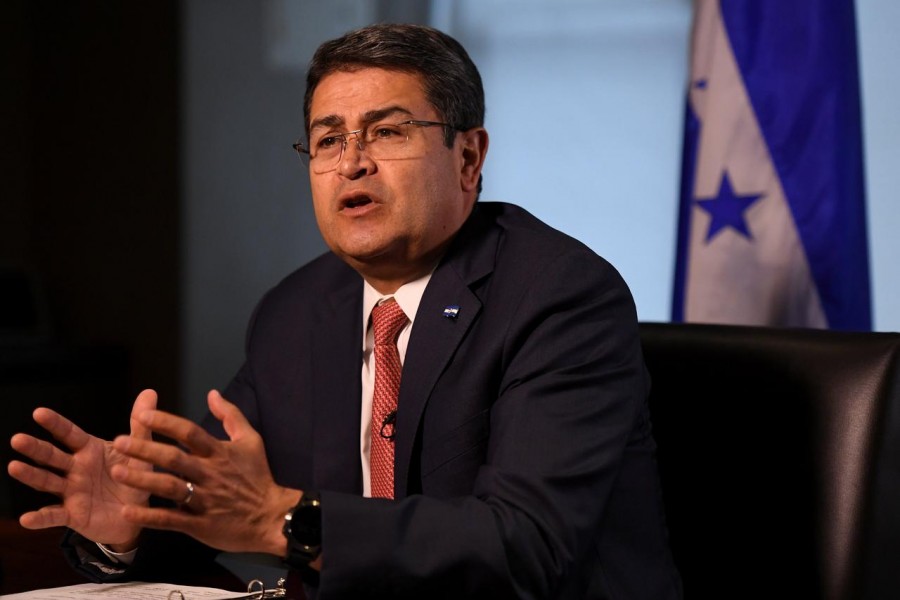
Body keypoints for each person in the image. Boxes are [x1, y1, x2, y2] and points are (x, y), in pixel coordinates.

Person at [8, 23, 682, 599]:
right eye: (328, 140)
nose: (352, 164)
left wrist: (285, 521)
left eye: (387, 132)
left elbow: (528, 547)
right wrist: (128, 525)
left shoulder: (559, 295)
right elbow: (222, 503)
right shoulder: (297, 312)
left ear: (468, 157)